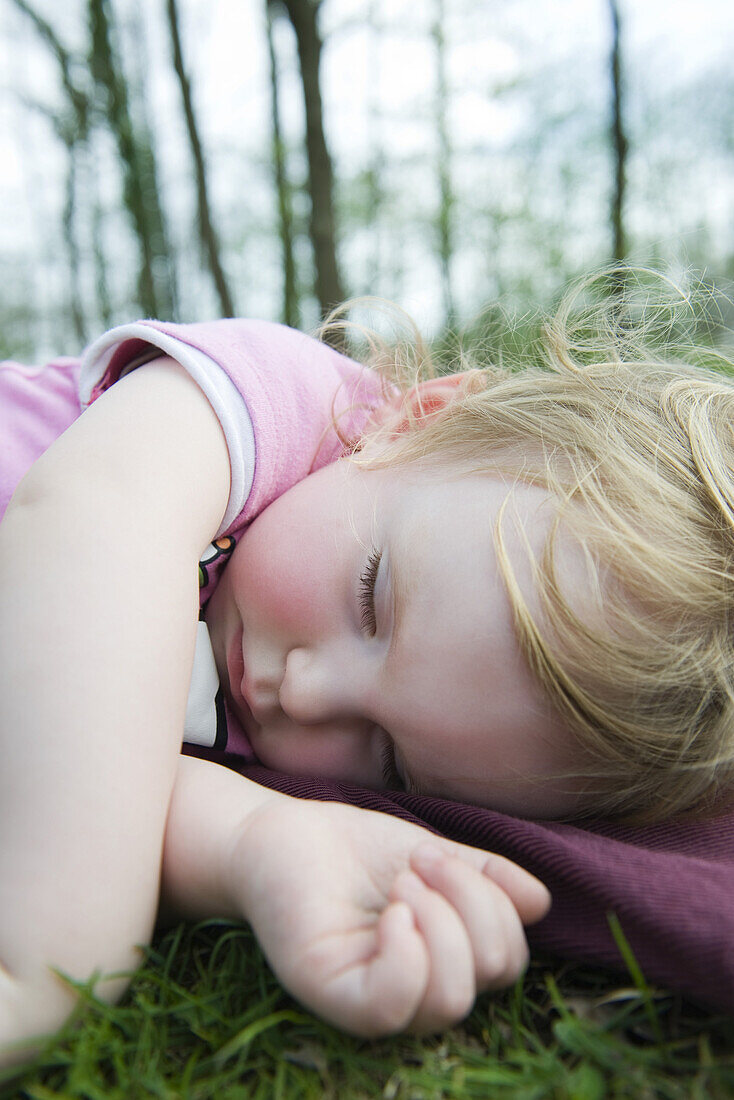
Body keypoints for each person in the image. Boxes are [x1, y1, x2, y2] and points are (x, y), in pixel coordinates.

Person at [1, 271, 732, 1062]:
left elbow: (96, 779)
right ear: (414, 424)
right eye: (370, 599)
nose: (304, 694)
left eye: (388, 759)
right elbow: (101, 519)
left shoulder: (267, 747)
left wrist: (258, 842)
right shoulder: (280, 406)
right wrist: (58, 953)